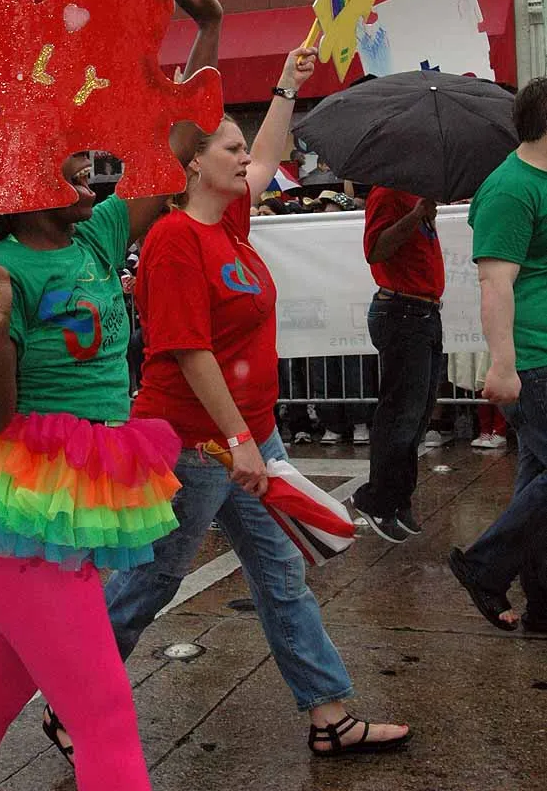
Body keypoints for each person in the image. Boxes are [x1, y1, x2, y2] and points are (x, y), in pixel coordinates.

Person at [0, 0, 224, 791]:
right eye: (78, 164)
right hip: (9, 508)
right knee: (103, 712)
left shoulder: (97, 237)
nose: (95, 176)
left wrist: (207, 35)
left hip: (74, 492)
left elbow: (176, 145)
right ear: (28, 177)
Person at [100, 48, 410, 758]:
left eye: (243, 149)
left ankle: (329, 716)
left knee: (280, 576)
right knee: (151, 581)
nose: (247, 159)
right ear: (192, 165)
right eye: (230, 149)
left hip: (247, 437)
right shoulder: (174, 240)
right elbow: (189, 351)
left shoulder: (228, 224)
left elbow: (268, 155)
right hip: (194, 442)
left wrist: (285, 88)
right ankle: (71, 695)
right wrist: (239, 440)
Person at [449, 77, 547, 631]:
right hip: (534, 360)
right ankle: (484, 567)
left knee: (536, 487)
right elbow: (494, 283)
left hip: (538, 358)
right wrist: (503, 365)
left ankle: (543, 603)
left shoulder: (537, 180)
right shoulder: (509, 189)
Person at [353, 189, 444, 543]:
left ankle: (397, 497)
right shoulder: (387, 193)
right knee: (401, 414)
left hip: (420, 311)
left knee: (416, 414)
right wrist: (415, 216)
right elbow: (374, 250)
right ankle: (378, 500)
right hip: (403, 311)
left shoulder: (409, 193)